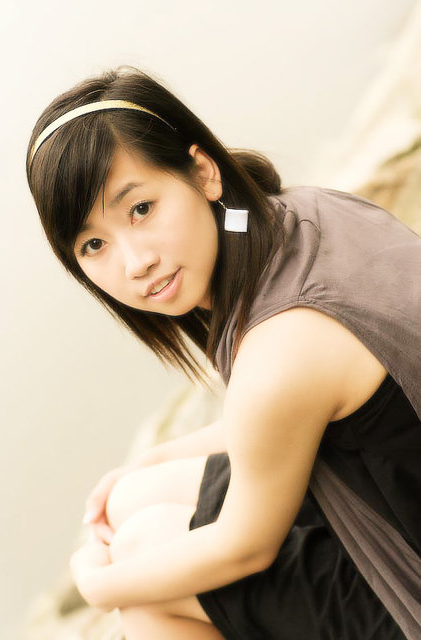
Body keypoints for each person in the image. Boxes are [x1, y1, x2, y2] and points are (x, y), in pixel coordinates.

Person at [26, 66, 421, 640]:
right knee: (134, 499)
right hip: (385, 496)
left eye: (140, 209)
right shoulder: (303, 213)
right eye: (93, 244)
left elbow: (245, 547)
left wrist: (97, 587)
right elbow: (319, 418)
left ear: (203, 172)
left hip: (402, 566)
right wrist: (150, 463)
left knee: (144, 595)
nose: (135, 262)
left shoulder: (283, 346)